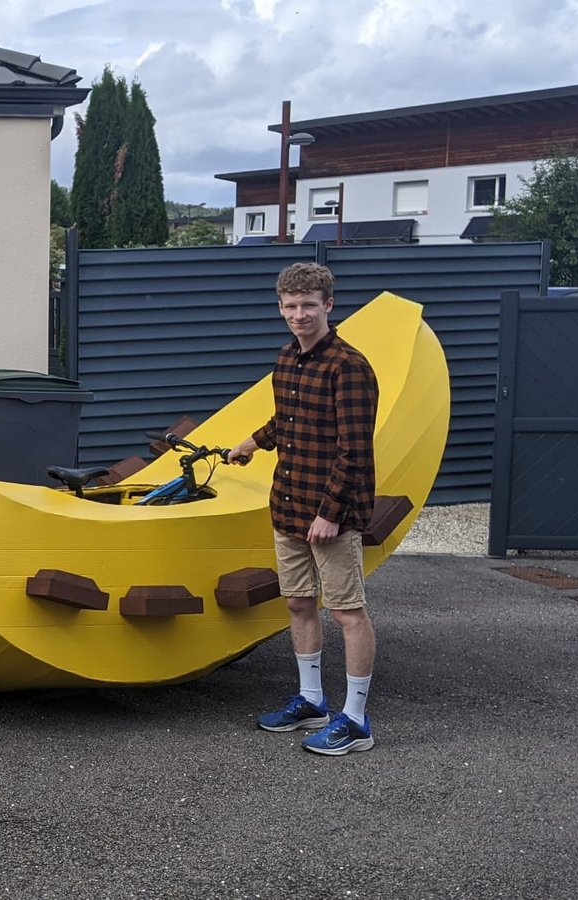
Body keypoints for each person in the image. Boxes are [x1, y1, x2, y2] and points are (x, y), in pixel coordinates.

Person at [230, 262, 380, 756]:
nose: (299, 314)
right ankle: (312, 700)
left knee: (347, 611)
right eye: (291, 306)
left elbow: (353, 448)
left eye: (308, 306)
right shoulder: (287, 359)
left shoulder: (349, 366)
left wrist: (330, 512)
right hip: (288, 507)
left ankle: (356, 719)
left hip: (328, 515)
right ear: (281, 307)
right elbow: (289, 420)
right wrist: (252, 441)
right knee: (298, 603)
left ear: (328, 306)